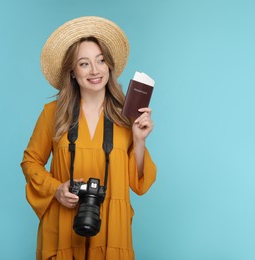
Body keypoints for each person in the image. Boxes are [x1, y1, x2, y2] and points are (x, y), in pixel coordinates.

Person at [21, 16, 157, 260]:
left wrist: (139, 140)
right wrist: (56, 189)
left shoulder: (127, 117)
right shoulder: (52, 114)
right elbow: (30, 162)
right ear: (72, 72)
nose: (95, 71)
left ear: (109, 66)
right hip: (62, 228)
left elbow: (139, 184)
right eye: (84, 64)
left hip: (111, 231)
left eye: (101, 61)